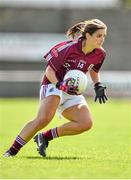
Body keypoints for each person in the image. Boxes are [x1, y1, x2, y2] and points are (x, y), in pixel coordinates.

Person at [4, 18, 108, 157]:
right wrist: (60, 85)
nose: (102, 39)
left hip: (71, 90)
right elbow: (49, 71)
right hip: (54, 84)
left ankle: (45, 137)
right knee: (43, 119)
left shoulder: (100, 53)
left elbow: (94, 70)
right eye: (99, 36)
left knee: (85, 123)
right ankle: (11, 152)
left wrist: (98, 85)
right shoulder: (68, 48)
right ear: (88, 35)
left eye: (104, 36)